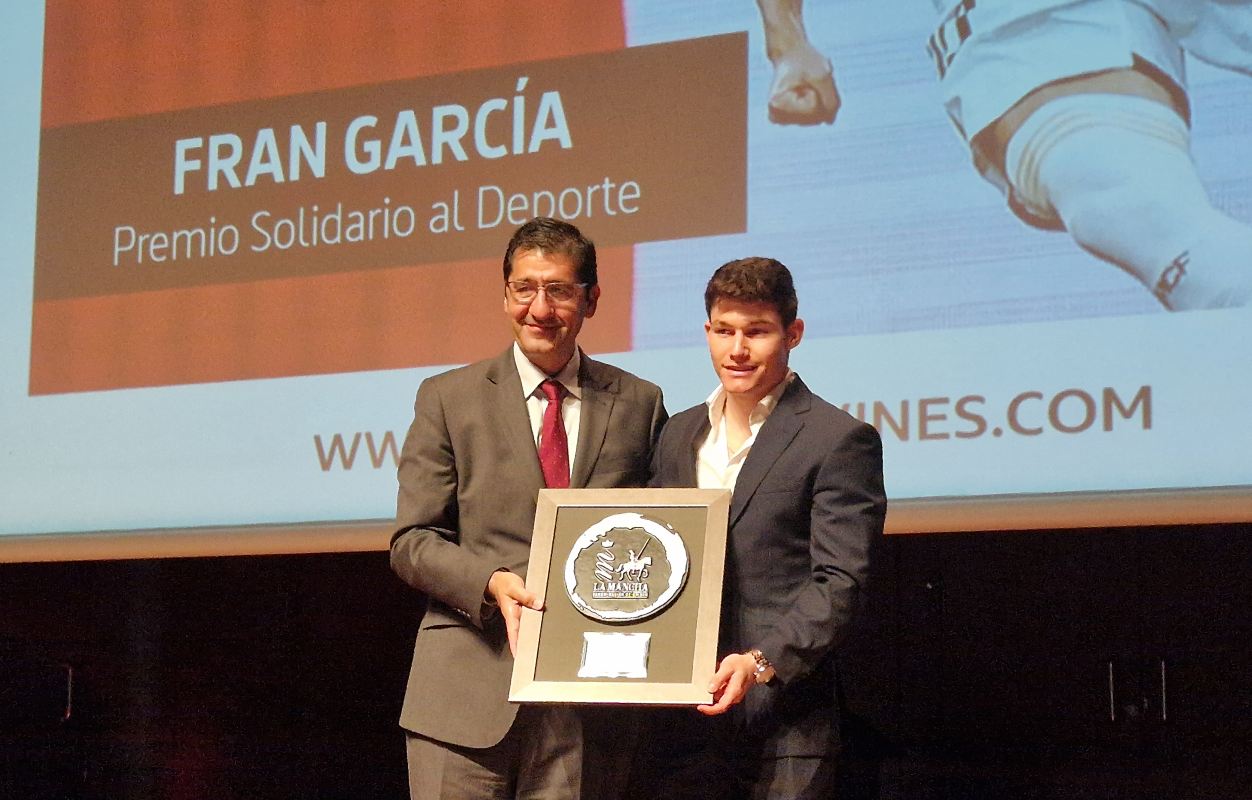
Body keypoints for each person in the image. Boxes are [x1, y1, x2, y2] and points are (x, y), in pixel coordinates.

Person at [390, 216, 667, 800]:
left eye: (560, 290)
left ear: (591, 299)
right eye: (524, 288)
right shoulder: (447, 398)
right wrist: (489, 582)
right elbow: (413, 541)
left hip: (589, 703)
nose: (540, 308)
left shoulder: (640, 403)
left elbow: (661, 535)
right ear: (506, 295)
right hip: (465, 695)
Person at [764, 0, 1252, 310]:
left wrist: (789, 45)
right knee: (1128, 206)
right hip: (1036, 47)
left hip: (1054, 40)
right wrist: (787, 44)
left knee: (1139, 215)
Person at [640, 257, 887, 799]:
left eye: (757, 332)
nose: (738, 350)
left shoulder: (838, 438)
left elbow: (840, 581)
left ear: (793, 334)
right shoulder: (677, 434)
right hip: (683, 724)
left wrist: (760, 663)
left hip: (787, 722)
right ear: (707, 332)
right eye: (724, 331)